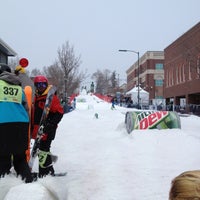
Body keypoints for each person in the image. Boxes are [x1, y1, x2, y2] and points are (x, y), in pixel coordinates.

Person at [0, 63, 33, 183]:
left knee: (3, 159)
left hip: (3, 125)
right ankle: (29, 187)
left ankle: (3, 190)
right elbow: (26, 108)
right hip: (21, 125)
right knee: (20, 159)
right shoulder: (18, 88)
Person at [31, 75, 64, 177]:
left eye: (43, 84)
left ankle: (45, 172)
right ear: (36, 86)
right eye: (39, 85)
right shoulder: (37, 97)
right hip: (38, 129)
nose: (41, 86)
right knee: (42, 149)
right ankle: (49, 170)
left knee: (43, 150)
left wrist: (50, 124)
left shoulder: (51, 97)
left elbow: (59, 113)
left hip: (48, 129)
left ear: (46, 85)